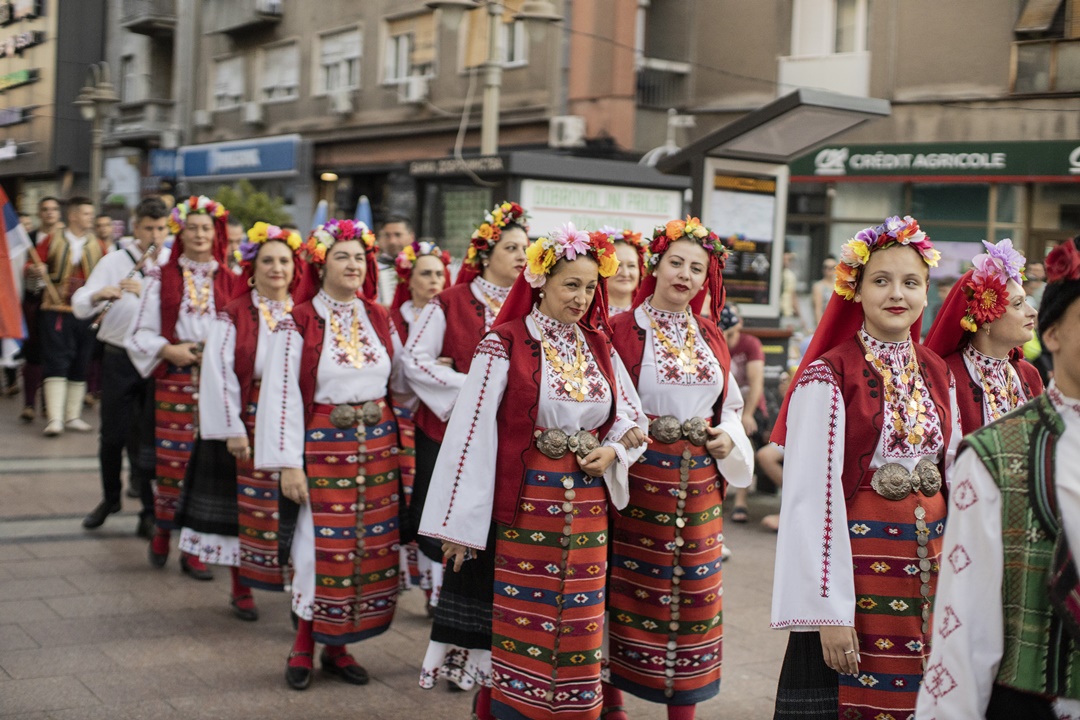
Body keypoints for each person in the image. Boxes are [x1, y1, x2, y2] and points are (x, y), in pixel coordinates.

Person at [419, 222, 647, 720]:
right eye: (571, 285)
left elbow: (631, 417)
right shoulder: (503, 343)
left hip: (587, 513)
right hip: (525, 505)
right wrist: (458, 527)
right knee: (518, 621)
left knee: (580, 627)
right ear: (541, 282)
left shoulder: (599, 344)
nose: (582, 298)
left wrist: (614, 450)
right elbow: (471, 434)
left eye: (590, 287)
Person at [769, 215, 961, 720]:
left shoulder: (937, 370)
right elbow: (811, 498)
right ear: (855, 291)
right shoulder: (828, 375)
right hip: (859, 568)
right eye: (881, 280)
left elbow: (956, 471)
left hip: (933, 563)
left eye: (911, 282)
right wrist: (828, 611)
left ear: (926, 293)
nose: (897, 293)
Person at [917, 235, 1080, 719]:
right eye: (1015, 303)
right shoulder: (951, 381)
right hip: (971, 522)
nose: (1028, 311)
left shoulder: (1025, 375)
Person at [606, 218, 753, 720]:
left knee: (696, 595)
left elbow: (730, 405)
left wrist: (727, 434)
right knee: (622, 587)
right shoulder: (619, 329)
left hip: (700, 487)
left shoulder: (709, 333)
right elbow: (605, 404)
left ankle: (683, 709)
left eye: (697, 268)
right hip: (637, 479)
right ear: (656, 265)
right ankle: (613, 703)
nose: (685, 275)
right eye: (676, 263)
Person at [254, 219, 405, 691]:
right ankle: (303, 642)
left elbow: (401, 379)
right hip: (324, 447)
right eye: (342, 256)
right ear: (320, 265)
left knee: (369, 548)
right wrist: (288, 464)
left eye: (360, 257)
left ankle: (338, 646)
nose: (353, 264)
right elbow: (281, 395)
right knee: (318, 547)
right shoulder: (297, 320)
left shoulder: (378, 316)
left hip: (378, 448)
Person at [403, 201, 528, 688]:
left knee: (494, 541)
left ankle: (487, 645)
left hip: (508, 443)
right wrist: (472, 387)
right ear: (486, 253)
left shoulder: (532, 303)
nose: (520, 256)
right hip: (450, 434)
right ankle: (457, 637)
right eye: (511, 247)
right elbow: (415, 361)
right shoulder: (451, 301)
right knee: (454, 534)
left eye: (525, 248)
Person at [177, 222, 305, 621]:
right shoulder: (233, 313)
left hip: (295, 416)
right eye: (268, 261)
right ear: (252, 267)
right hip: (249, 417)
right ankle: (241, 586)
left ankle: (300, 587)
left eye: (284, 261)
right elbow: (217, 372)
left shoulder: (305, 312)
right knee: (245, 506)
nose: (277, 268)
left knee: (293, 503)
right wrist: (232, 428)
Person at [128, 195, 241, 577]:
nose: (199, 234)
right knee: (173, 463)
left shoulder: (232, 279)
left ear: (216, 233)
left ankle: (194, 548)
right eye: (192, 227)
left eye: (206, 228)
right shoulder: (161, 276)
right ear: (181, 232)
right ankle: (163, 529)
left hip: (217, 383)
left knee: (208, 464)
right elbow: (138, 333)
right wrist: (168, 350)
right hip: (175, 381)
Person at [73, 198, 170, 535]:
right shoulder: (114, 260)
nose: (155, 235)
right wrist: (99, 294)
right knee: (112, 434)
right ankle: (110, 498)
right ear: (136, 227)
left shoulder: (172, 263)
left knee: (149, 438)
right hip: (119, 356)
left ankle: (149, 510)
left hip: (156, 360)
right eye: (148, 228)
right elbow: (80, 302)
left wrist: (146, 293)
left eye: (161, 228)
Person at [923, 239, 1043, 434]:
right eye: (1018, 304)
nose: (1033, 312)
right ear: (986, 318)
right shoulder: (946, 376)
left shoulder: (1029, 374)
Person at [388, 239, 452, 602]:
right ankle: (409, 577)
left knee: (432, 496)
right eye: (425, 274)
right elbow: (398, 376)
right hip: (401, 418)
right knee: (408, 497)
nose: (434, 281)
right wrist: (428, 370)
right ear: (408, 279)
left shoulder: (449, 315)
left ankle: (434, 589)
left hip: (434, 416)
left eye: (439, 274)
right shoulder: (393, 319)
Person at [27, 196, 106, 436]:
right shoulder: (53, 240)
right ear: (73, 216)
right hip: (56, 310)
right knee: (56, 360)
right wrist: (35, 269)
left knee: (82, 361)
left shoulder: (98, 244)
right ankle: (55, 418)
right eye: (86, 214)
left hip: (86, 312)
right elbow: (31, 264)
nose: (90, 218)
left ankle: (72, 416)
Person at [721, 302, 767, 525]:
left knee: (744, 435)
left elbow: (756, 384)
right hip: (722, 406)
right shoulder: (714, 340)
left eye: (733, 317)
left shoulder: (750, 343)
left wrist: (747, 414)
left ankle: (740, 501)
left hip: (749, 405)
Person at [18, 196, 64, 422]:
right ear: (39, 213)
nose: (49, 213)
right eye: (45, 209)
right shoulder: (29, 239)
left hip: (57, 303)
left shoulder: (66, 240)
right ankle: (29, 404)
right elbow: (18, 264)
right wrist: (29, 269)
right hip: (33, 300)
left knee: (53, 354)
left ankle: (49, 405)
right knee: (33, 353)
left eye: (53, 209)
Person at [604, 227, 648, 316]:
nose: (625, 273)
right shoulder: (586, 314)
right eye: (618, 265)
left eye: (631, 266)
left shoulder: (648, 313)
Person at [376, 215, 415, 306]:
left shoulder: (420, 265)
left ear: (411, 237)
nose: (392, 241)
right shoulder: (373, 267)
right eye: (387, 235)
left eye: (398, 235)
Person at [811, 255, 837, 327]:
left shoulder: (840, 286)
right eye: (826, 267)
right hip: (825, 323)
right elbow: (818, 309)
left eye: (832, 267)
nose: (829, 270)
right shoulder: (818, 286)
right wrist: (820, 327)